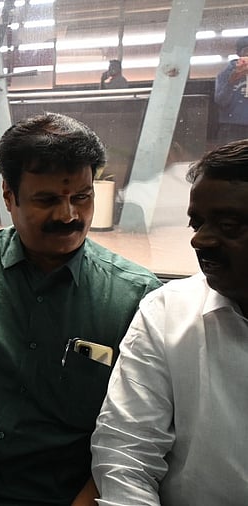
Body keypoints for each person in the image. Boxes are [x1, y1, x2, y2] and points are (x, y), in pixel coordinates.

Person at [0, 113, 161, 506]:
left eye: (82, 197)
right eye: (47, 200)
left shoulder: (135, 297)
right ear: (9, 196)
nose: (69, 215)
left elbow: (129, 442)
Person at [91, 139, 248, 506]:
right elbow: (125, 456)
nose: (200, 240)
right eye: (197, 223)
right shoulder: (165, 313)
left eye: (228, 225)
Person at [214, 36, 248, 145]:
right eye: (247, 51)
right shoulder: (226, 73)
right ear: (239, 53)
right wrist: (232, 79)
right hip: (232, 128)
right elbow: (220, 101)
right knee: (231, 160)